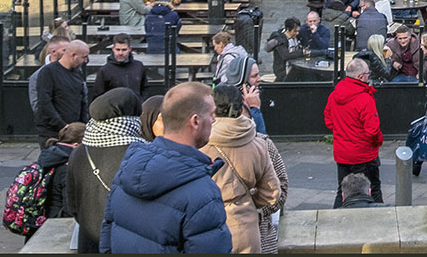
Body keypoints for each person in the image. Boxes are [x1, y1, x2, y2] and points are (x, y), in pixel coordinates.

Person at [101, 81, 230, 252]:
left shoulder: (126, 169)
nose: (214, 119)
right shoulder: (203, 193)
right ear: (196, 121)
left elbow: (107, 242)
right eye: (211, 114)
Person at [201, 84, 279, 253]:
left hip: (208, 226)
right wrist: (247, 201)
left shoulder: (199, 141)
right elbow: (272, 193)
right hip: (246, 229)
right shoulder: (259, 144)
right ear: (240, 106)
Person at [64, 88, 142, 253]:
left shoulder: (78, 152)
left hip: (88, 243)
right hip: (126, 243)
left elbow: (72, 206)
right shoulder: (141, 153)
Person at [324, 58, 383, 206]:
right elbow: (373, 130)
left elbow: (329, 120)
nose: (369, 76)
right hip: (364, 154)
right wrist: (377, 143)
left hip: (342, 153)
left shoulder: (334, 95)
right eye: (368, 73)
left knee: (343, 190)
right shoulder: (365, 98)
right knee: (373, 188)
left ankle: (337, 218)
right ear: (361, 76)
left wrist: (342, 131)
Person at [34, 40, 90, 145]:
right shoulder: (48, 72)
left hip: (74, 130)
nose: (86, 61)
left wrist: (83, 125)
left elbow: (82, 100)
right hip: (51, 130)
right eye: (84, 57)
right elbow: (44, 102)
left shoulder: (77, 72)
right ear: (73, 55)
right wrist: (62, 125)